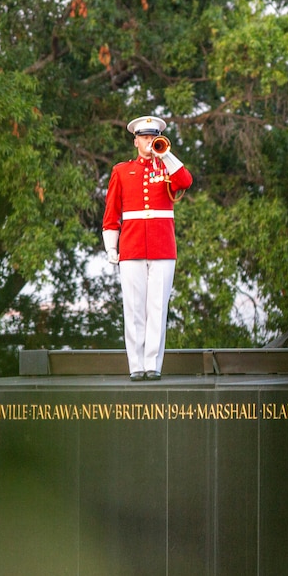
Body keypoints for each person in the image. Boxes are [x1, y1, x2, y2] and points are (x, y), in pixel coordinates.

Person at [101, 116, 193, 381]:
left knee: (157, 308)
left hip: (163, 247)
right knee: (133, 308)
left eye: (153, 137)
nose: (149, 141)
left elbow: (185, 182)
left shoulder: (167, 168)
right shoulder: (121, 170)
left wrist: (166, 155)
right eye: (144, 137)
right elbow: (111, 215)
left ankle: (153, 365)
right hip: (130, 247)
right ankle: (136, 366)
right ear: (135, 141)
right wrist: (111, 248)